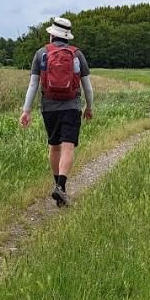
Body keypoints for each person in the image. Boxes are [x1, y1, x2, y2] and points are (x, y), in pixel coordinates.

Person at [19, 17, 95, 207]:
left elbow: (33, 84)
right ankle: (61, 187)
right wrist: (89, 107)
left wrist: (26, 111)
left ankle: (58, 186)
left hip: (49, 107)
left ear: (52, 34)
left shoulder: (41, 54)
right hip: (71, 106)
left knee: (54, 146)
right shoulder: (77, 55)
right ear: (67, 36)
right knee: (68, 146)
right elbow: (88, 87)